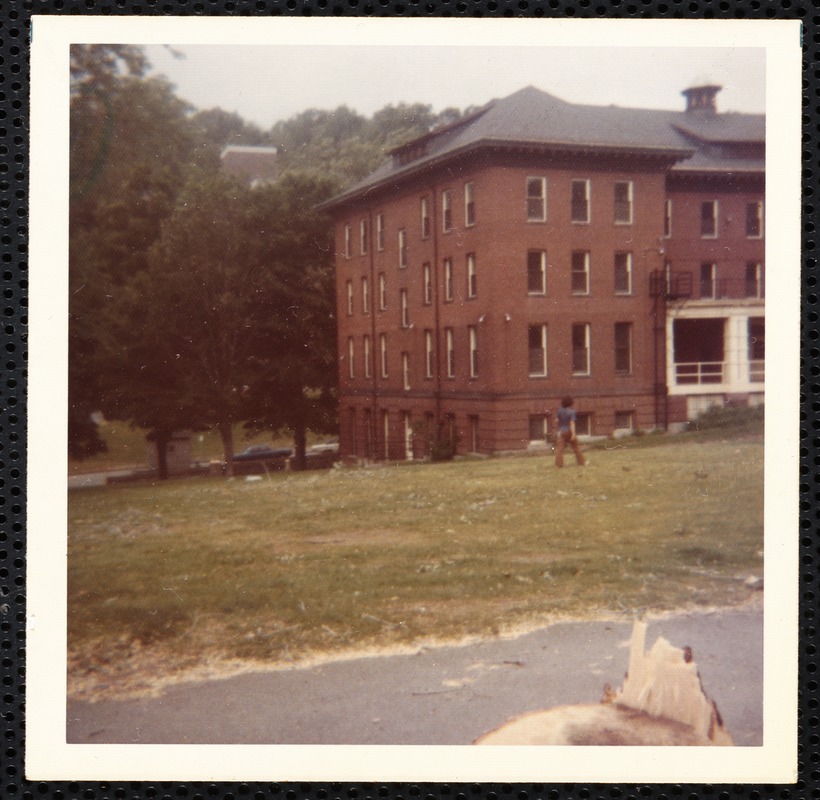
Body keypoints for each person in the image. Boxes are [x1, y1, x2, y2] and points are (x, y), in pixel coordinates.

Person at [554, 395, 586, 468]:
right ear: (571, 403)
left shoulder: (559, 410)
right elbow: (572, 423)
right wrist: (573, 434)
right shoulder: (572, 412)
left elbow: (557, 420)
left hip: (562, 432)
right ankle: (581, 462)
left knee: (559, 449)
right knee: (576, 448)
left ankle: (558, 464)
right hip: (569, 431)